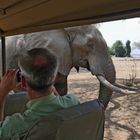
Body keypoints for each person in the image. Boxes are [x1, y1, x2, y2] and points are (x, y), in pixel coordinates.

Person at [0, 48, 80, 138]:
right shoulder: (74, 102)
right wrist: (50, 83)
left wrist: (2, 92)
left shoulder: (16, 126)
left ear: (22, 81)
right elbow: (59, 105)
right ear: (55, 76)